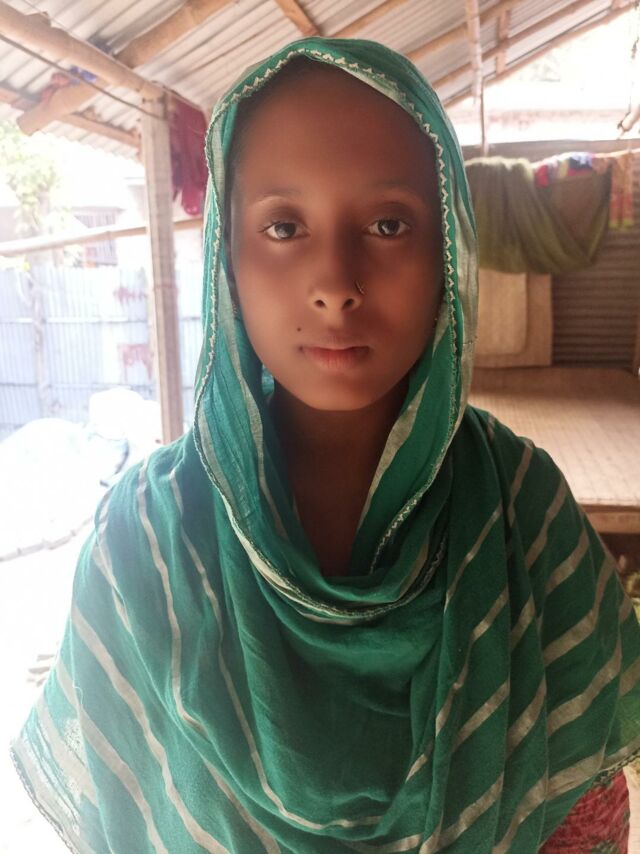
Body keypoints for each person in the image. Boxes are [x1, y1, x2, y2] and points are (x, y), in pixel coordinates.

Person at [11, 37, 640, 853]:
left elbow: (585, 812)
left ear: (450, 249)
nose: (336, 283)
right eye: (283, 226)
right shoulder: (149, 542)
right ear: (226, 258)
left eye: (388, 224)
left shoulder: (525, 515)